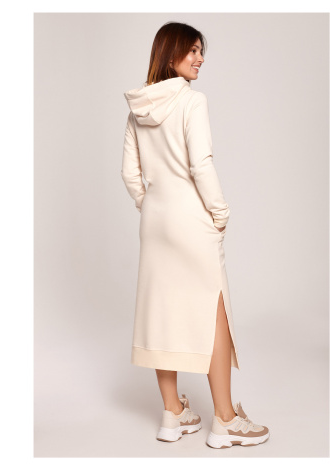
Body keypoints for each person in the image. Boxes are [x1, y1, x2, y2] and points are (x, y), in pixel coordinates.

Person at [121, 21, 269, 449]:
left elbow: (130, 173)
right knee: (214, 310)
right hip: (191, 218)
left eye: (202, 51)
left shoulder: (139, 107)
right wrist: (220, 212)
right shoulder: (191, 100)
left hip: (155, 221)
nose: (200, 59)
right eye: (193, 51)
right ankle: (225, 420)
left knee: (161, 310)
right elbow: (200, 163)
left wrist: (150, 204)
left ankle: (172, 412)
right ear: (171, 54)